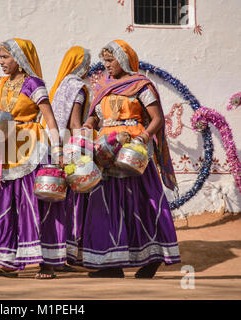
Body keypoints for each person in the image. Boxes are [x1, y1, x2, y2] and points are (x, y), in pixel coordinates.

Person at [80, 39, 180, 278]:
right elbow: (95, 117)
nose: (107, 65)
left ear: (124, 60)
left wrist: (143, 138)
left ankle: (153, 258)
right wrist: (87, 125)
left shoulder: (141, 86)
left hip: (132, 150)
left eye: (111, 59)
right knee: (106, 203)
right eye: (104, 60)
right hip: (105, 151)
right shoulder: (102, 86)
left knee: (142, 203)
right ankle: (111, 264)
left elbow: (157, 119)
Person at [0, 38, 64, 279]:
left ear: (20, 59)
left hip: (29, 147)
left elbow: (50, 119)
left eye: (6, 57)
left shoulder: (34, 84)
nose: (1, 61)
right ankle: (5, 261)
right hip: (2, 149)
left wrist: (57, 151)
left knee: (33, 204)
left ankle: (46, 263)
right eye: (0, 57)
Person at [41, 46, 91, 271]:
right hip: (68, 150)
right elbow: (74, 123)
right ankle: (61, 257)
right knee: (68, 204)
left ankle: (54, 255)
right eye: (87, 64)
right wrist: (83, 148)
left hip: (50, 146)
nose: (88, 69)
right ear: (81, 66)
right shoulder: (78, 87)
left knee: (54, 203)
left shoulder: (60, 85)